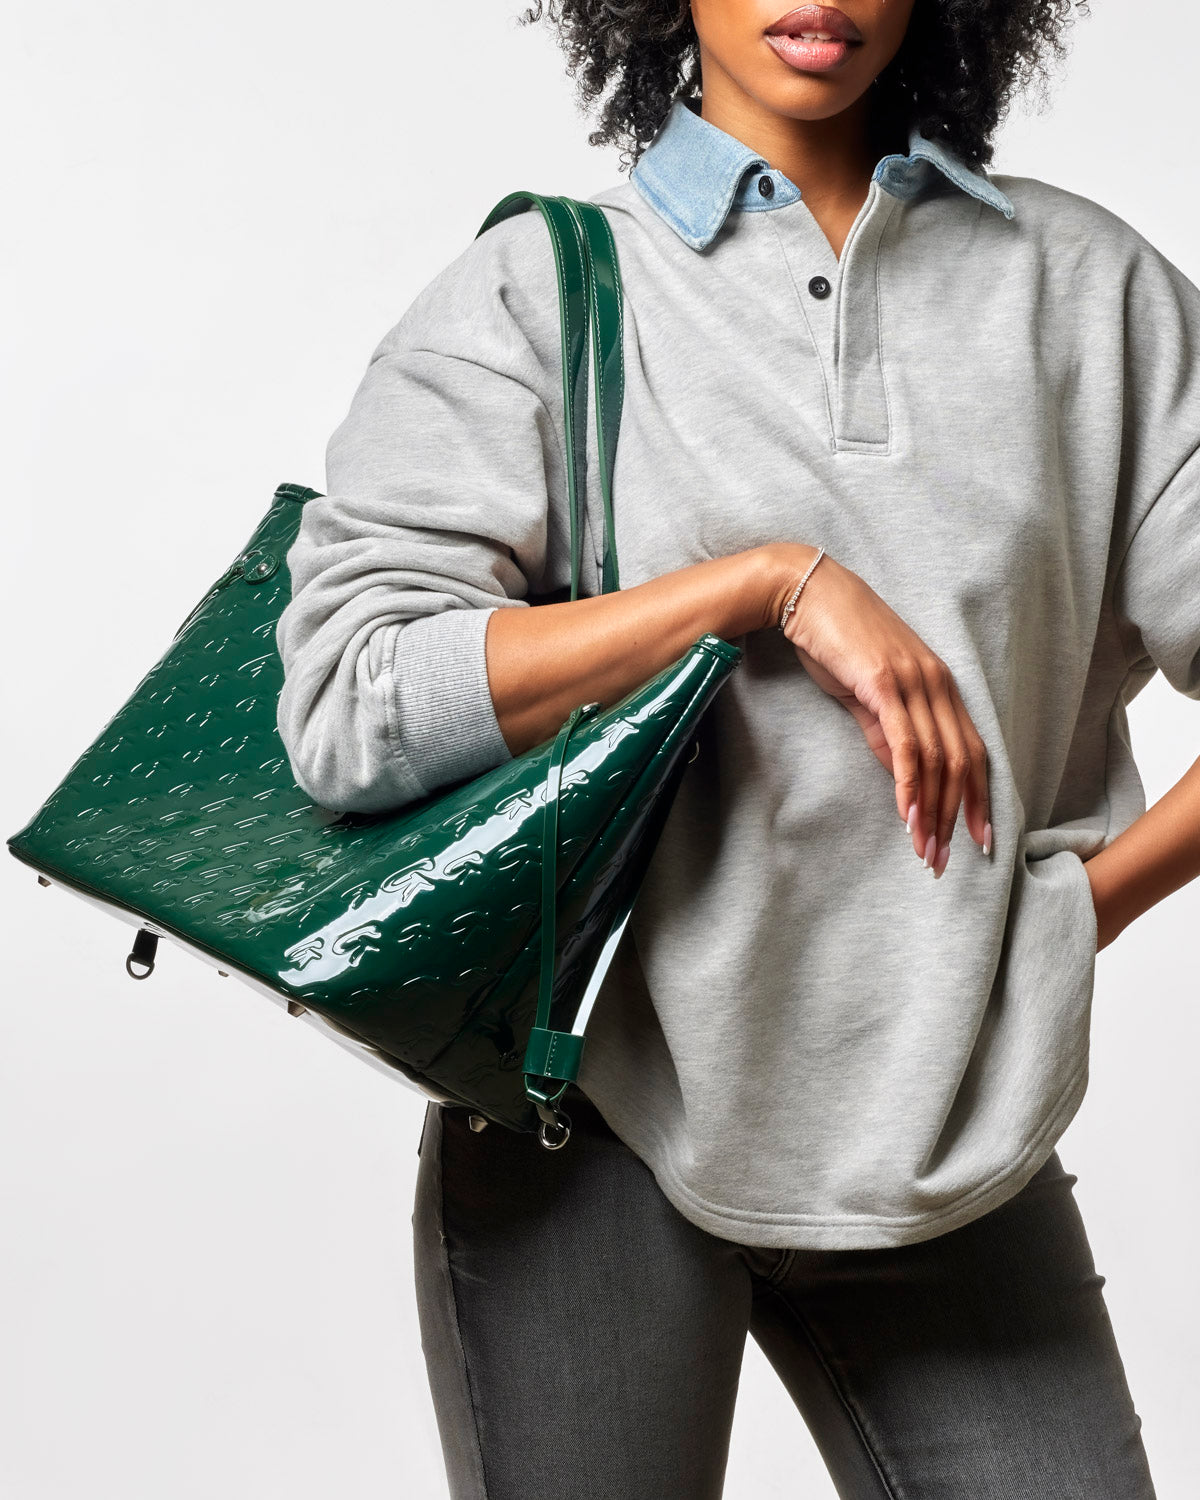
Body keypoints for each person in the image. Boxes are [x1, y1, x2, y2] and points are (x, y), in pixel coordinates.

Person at [275, 1, 1200, 1493]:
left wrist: (1067, 923)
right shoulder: (544, 293)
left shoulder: (1087, 294)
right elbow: (351, 702)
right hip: (597, 1113)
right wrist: (764, 584)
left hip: (960, 1118)